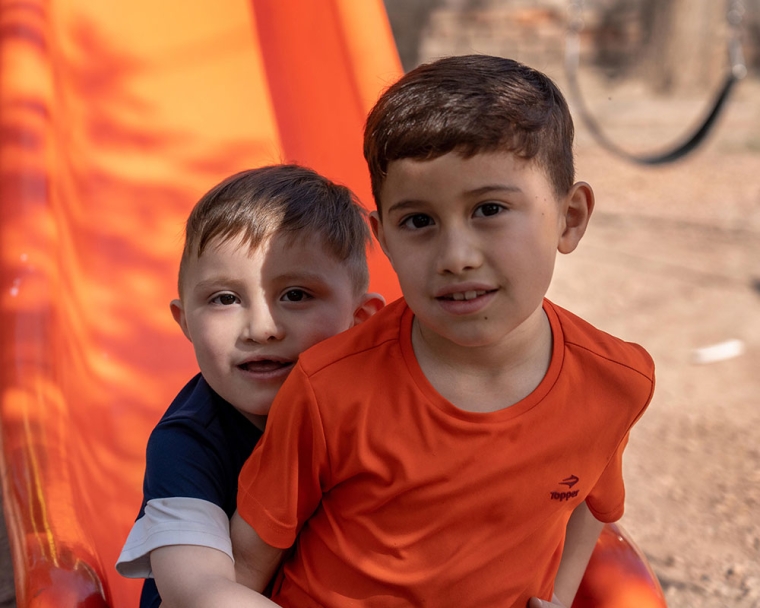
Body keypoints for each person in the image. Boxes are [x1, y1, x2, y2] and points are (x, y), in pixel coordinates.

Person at [230, 55, 656, 608]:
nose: (455, 257)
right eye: (419, 222)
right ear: (383, 239)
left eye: (490, 209)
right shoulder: (329, 389)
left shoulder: (614, 380)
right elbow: (247, 560)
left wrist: (560, 597)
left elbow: (583, 505)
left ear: (570, 218)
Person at [114, 164, 385, 608]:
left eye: (296, 295)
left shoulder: (384, 403)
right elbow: (198, 592)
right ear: (185, 323)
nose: (262, 328)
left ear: (360, 322)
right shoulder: (189, 443)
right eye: (225, 299)